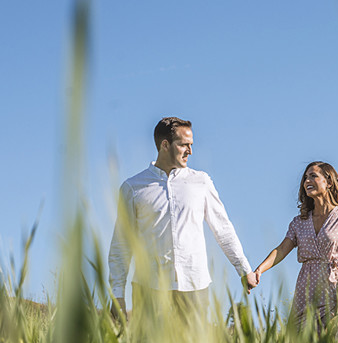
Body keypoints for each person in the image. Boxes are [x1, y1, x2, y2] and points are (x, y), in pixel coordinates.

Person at [108, 116, 253, 320]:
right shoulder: (133, 187)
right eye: (184, 145)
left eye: (191, 145)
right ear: (165, 145)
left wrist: (244, 269)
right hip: (148, 288)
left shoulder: (201, 182)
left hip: (195, 287)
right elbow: (121, 244)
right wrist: (117, 295)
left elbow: (223, 228)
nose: (190, 151)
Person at [249, 161, 338, 336]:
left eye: (313, 176)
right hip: (305, 289)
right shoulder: (299, 222)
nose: (306, 181)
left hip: (334, 289)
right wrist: (260, 270)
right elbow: (281, 249)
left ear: (329, 182)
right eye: (305, 178)